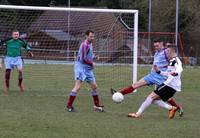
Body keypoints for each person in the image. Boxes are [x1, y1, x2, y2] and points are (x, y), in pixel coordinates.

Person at [111, 39, 183, 116]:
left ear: (162, 44)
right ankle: (119, 93)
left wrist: (174, 71)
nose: (156, 47)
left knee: (163, 96)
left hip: (161, 78)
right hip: (152, 75)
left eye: (157, 45)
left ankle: (177, 108)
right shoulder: (156, 53)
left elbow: (175, 59)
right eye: (154, 46)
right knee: (136, 85)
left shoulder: (166, 52)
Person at [127, 44, 183, 119]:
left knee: (150, 97)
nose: (167, 53)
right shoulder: (171, 61)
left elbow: (180, 68)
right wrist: (159, 72)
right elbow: (168, 74)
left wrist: (176, 73)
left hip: (169, 85)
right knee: (154, 100)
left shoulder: (175, 60)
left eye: (168, 51)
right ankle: (171, 108)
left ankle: (137, 114)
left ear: (173, 51)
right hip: (171, 86)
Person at [65, 30, 104, 112]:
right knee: (78, 87)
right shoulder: (84, 45)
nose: (92, 38)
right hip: (80, 67)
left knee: (94, 86)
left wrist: (94, 56)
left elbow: (88, 55)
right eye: (91, 36)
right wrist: (92, 63)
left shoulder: (90, 44)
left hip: (87, 68)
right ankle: (69, 106)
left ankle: (96, 106)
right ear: (86, 36)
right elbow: (83, 59)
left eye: (93, 36)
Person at [0, 30, 33, 95]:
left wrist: (29, 51)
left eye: (17, 34)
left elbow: (26, 46)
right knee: (7, 73)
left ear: (19, 35)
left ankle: (20, 84)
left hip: (18, 58)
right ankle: (7, 88)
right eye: (15, 34)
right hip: (8, 58)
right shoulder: (8, 41)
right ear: (12, 35)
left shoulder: (21, 41)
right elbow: (1, 43)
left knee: (20, 71)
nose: (16, 35)